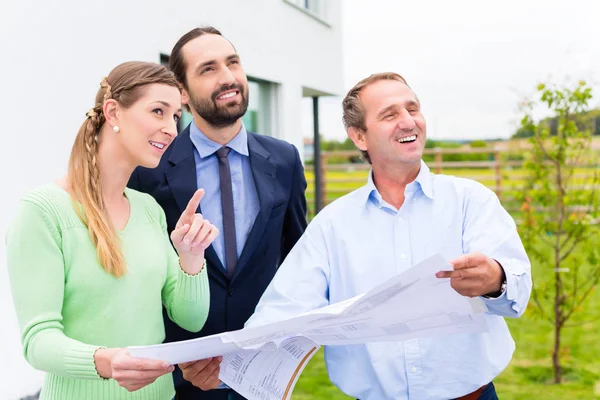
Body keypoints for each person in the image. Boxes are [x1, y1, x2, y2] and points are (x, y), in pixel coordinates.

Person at [182, 72, 533, 400]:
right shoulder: (332, 225)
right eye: (390, 114)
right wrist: (229, 364)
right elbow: (284, 310)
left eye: (413, 109)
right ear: (359, 136)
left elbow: (517, 286)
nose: (409, 121)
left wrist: (495, 277)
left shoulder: (471, 201)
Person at [6, 61, 217, 400]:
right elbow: (38, 340)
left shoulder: (149, 209)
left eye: (176, 116)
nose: (170, 129)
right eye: (158, 111)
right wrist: (106, 361)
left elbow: (191, 319)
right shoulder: (43, 211)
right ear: (114, 113)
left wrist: (191, 256)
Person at [127, 27, 307, 399]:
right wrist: (180, 362)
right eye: (208, 69)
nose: (228, 77)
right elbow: (138, 279)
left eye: (233, 63)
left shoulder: (285, 159)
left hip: (262, 372)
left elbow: (297, 262)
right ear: (182, 92)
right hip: (180, 376)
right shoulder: (149, 169)